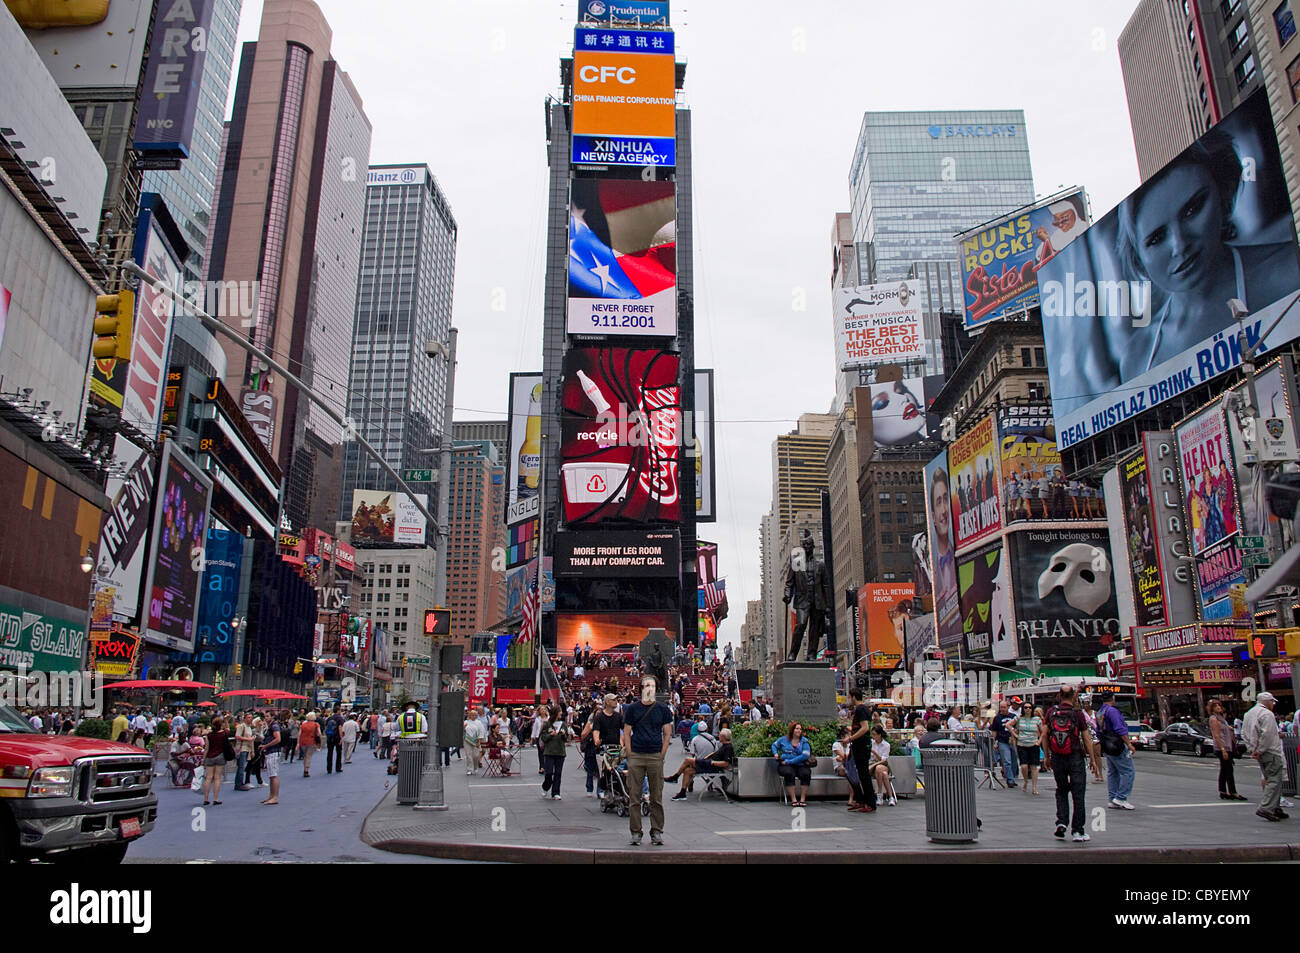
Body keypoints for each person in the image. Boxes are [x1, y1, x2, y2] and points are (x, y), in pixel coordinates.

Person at [621, 675, 675, 846]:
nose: (649, 688)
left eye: (652, 685)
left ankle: (656, 831)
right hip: (636, 755)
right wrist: (629, 754)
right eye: (646, 685)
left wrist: (662, 754)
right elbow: (627, 732)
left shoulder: (662, 709)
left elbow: (667, 733)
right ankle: (636, 832)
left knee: (656, 797)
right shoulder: (632, 709)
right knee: (634, 797)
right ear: (641, 689)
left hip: (654, 756)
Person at [1041, 687, 1097, 842]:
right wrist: (1092, 759)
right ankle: (1078, 831)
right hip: (1075, 757)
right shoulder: (1077, 714)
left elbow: (1044, 735)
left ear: (1059, 696)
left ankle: (1061, 822)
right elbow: (1087, 738)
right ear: (1073, 697)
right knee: (1078, 794)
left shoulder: (1051, 712)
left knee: (1061, 790)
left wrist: (1047, 756)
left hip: (1058, 757)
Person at [1242, 692, 1287, 821]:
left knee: (1270, 778)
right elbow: (1268, 734)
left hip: (1260, 751)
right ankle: (1266, 808)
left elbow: (1244, 734)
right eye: (1272, 702)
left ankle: (1275, 807)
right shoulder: (1267, 714)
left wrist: (1252, 749)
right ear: (1267, 701)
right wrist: (1260, 749)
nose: (1273, 704)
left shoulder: (1249, 713)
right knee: (1274, 780)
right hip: (1270, 751)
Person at [1095, 690, 1136, 810]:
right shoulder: (1113, 711)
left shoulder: (1100, 712)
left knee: (1113, 772)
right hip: (1117, 744)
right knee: (1128, 771)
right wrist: (1129, 744)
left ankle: (1112, 798)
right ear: (1113, 698)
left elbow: (1098, 730)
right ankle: (1121, 797)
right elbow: (1119, 729)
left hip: (1107, 745)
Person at [671, 728, 734, 800]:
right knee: (687, 771)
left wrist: (713, 763)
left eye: (720, 735)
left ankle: (675, 777)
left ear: (723, 737)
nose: (718, 736)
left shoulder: (728, 748)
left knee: (687, 760)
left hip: (711, 765)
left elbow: (726, 763)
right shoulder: (723, 745)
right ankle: (682, 793)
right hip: (709, 764)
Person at [845, 689, 878, 813]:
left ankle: (870, 803)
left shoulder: (861, 709)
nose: (849, 699)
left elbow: (864, 728)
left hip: (861, 746)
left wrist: (850, 738)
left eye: (849, 697)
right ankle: (860, 800)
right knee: (853, 772)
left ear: (854, 697)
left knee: (863, 775)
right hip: (858, 746)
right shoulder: (861, 709)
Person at [1207, 700, 1245, 801]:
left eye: (1219, 705)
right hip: (1222, 747)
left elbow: (1224, 729)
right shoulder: (1214, 719)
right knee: (1228, 769)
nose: (1218, 707)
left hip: (1227, 745)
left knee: (1224, 769)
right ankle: (1233, 792)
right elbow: (1216, 735)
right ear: (1212, 709)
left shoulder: (1221, 719)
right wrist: (1223, 749)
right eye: (1215, 706)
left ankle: (1223, 791)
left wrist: (1230, 729)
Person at [772, 722, 813, 807]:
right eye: (797, 728)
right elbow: (774, 745)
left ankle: (802, 799)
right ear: (792, 730)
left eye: (800, 729)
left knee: (806, 773)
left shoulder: (804, 741)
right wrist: (775, 753)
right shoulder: (783, 740)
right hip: (785, 765)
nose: (799, 730)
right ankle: (793, 799)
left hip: (799, 764)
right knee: (789, 773)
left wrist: (789, 761)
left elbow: (805, 755)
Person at [539, 705, 570, 800]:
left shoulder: (563, 724)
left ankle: (556, 792)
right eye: (560, 711)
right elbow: (543, 737)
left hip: (560, 752)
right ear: (555, 713)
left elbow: (566, 739)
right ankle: (546, 786)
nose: (561, 713)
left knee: (558, 773)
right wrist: (550, 735)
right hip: (549, 752)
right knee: (548, 773)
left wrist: (564, 735)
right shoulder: (547, 724)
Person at [989, 700, 1018, 788]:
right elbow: (994, 730)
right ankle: (1010, 780)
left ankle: (1012, 776)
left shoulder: (1013, 716)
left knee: (1014, 761)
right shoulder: (997, 718)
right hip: (1002, 741)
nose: (1002, 709)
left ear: (1008, 707)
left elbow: (1017, 727)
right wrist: (994, 742)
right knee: (1007, 761)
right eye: (1001, 707)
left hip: (1012, 741)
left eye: (1004, 707)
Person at [1016, 705, 1044, 795]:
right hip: (1022, 744)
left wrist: (1039, 741)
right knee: (1024, 766)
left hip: (1033, 744)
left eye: (1029, 707)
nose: (1028, 709)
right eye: (1026, 707)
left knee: (1034, 767)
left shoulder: (1036, 719)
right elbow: (1008, 725)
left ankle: (1034, 787)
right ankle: (1026, 781)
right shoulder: (1019, 718)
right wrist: (1015, 735)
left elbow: (1043, 731)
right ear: (1023, 709)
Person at [868, 725, 896, 806]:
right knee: (883, 773)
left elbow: (883, 760)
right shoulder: (871, 743)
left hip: (882, 765)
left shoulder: (886, 745)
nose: (873, 736)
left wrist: (874, 753)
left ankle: (879, 794)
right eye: (872, 734)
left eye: (874, 734)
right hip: (873, 765)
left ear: (879, 735)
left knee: (879, 768)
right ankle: (890, 797)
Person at [259, 712, 282, 806]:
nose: (265, 718)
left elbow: (278, 739)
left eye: (268, 716)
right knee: (271, 775)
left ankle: (275, 797)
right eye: (265, 716)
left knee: (273, 775)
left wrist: (266, 746)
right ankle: (271, 796)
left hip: (273, 751)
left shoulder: (274, 726)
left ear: (272, 717)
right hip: (270, 752)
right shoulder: (269, 726)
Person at [233, 712, 256, 790]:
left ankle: (239, 782)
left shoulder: (249, 727)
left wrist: (252, 751)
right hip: (241, 748)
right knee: (241, 766)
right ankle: (239, 784)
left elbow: (252, 739)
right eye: (249, 717)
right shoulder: (241, 726)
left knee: (242, 766)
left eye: (251, 717)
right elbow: (237, 736)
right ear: (245, 718)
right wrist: (248, 739)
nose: (250, 719)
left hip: (247, 748)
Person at [463, 706, 487, 775]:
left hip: (476, 740)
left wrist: (479, 741)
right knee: (468, 755)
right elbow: (464, 730)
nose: (473, 716)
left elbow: (481, 731)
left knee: (475, 755)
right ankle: (469, 769)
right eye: (471, 715)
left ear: (476, 716)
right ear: (469, 716)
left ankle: (475, 767)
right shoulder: (466, 722)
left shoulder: (478, 723)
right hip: (467, 740)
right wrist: (464, 727)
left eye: (474, 715)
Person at [297, 711, 321, 777]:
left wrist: (298, 743)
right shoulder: (316, 724)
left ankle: (305, 766)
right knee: (309, 755)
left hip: (303, 741)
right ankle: (306, 769)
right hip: (311, 741)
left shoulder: (303, 725)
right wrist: (319, 743)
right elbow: (319, 734)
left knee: (305, 755)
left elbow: (299, 734)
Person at [324, 707, 344, 775]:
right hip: (337, 737)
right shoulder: (339, 718)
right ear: (338, 711)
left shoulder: (329, 718)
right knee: (339, 752)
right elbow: (340, 727)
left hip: (330, 737)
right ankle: (338, 768)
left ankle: (329, 768)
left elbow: (326, 727)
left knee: (330, 752)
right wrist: (341, 737)